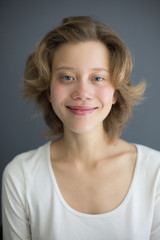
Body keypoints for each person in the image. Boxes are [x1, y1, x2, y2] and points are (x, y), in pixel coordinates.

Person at [2, 16, 160, 240]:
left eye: (97, 78)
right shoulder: (20, 176)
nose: (82, 93)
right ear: (48, 89)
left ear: (115, 92)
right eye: (67, 77)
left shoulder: (155, 172)